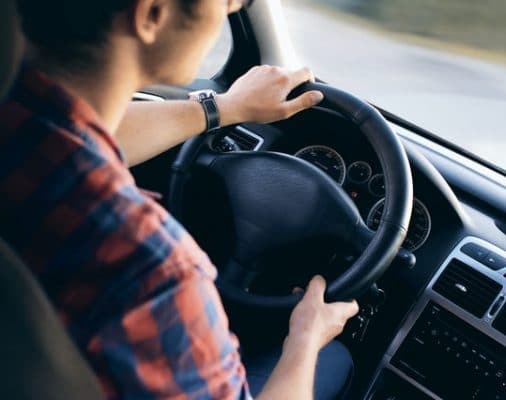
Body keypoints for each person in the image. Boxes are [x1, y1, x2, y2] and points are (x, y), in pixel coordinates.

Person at [0, 0, 359, 399]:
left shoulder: (19, 123)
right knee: (333, 358)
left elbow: (81, 134)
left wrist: (226, 107)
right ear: (151, 14)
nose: (233, 6)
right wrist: (305, 338)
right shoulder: (151, 271)